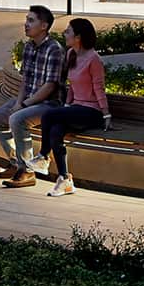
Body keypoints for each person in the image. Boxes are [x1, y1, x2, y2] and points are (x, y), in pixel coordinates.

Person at [0, 5, 65, 187]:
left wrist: (25, 104)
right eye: (26, 20)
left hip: (49, 105)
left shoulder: (54, 49)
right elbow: (25, 80)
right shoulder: (29, 47)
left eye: (31, 20)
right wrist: (19, 102)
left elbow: (50, 86)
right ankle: (16, 163)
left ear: (43, 26)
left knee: (17, 119)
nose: (26, 24)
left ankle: (27, 171)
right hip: (28, 100)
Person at [35, 17, 111, 196]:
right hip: (76, 109)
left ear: (78, 37)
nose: (64, 33)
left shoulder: (94, 59)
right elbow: (72, 85)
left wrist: (106, 115)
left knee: (48, 115)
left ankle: (43, 156)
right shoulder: (71, 54)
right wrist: (67, 106)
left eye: (68, 31)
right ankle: (65, 180)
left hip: (92, 112)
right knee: (55, 131)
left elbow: (99, 88)